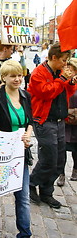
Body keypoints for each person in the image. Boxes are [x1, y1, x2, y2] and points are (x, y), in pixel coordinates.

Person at [28, 43, 77, 209]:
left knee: (60, 160)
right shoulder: (38, 73)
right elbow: (46, 92)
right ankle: (31, 183)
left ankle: (46, 191)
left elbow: (67, 93)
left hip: (59, 121)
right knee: (49, 158)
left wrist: (71, 83)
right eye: (63, 60)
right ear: (54, 57)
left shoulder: (60, 73)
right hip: (44, 120)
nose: (66, 63)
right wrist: (63, 80)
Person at [0, 60, 33, 238]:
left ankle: (25, 232)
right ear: (4, 77)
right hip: (0, 151)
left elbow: (30, 120)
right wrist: (5, 137)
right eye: (13, 76)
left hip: (20, 152)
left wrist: (28, 134)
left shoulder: (25, 96)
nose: (17, 79)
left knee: (23, 197)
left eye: (19, 76)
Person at [57, 58, 77, 186]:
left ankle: (75, 169)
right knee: (61, 148)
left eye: (71, 69)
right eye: (67, 68)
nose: (68, 71)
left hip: (76, 120)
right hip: (64, 118)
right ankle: (61, 173)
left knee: (76, 148)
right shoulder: (62, 80)